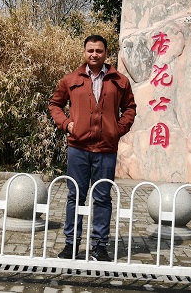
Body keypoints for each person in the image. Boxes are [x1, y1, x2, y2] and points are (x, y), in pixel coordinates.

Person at [49, 34, 136, 262]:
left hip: (106, 149)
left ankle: (99, 246)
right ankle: (71, 244)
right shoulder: (71, 79)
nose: (94, 54)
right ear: (84, 52)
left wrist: (117, 129)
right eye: (90, 50)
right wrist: (66, 124)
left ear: (106, 53)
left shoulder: (120, 81)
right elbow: (55, 104)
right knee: (75, 196)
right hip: (78, 148)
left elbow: (130, 108)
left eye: (99, 50)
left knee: (103, 198)